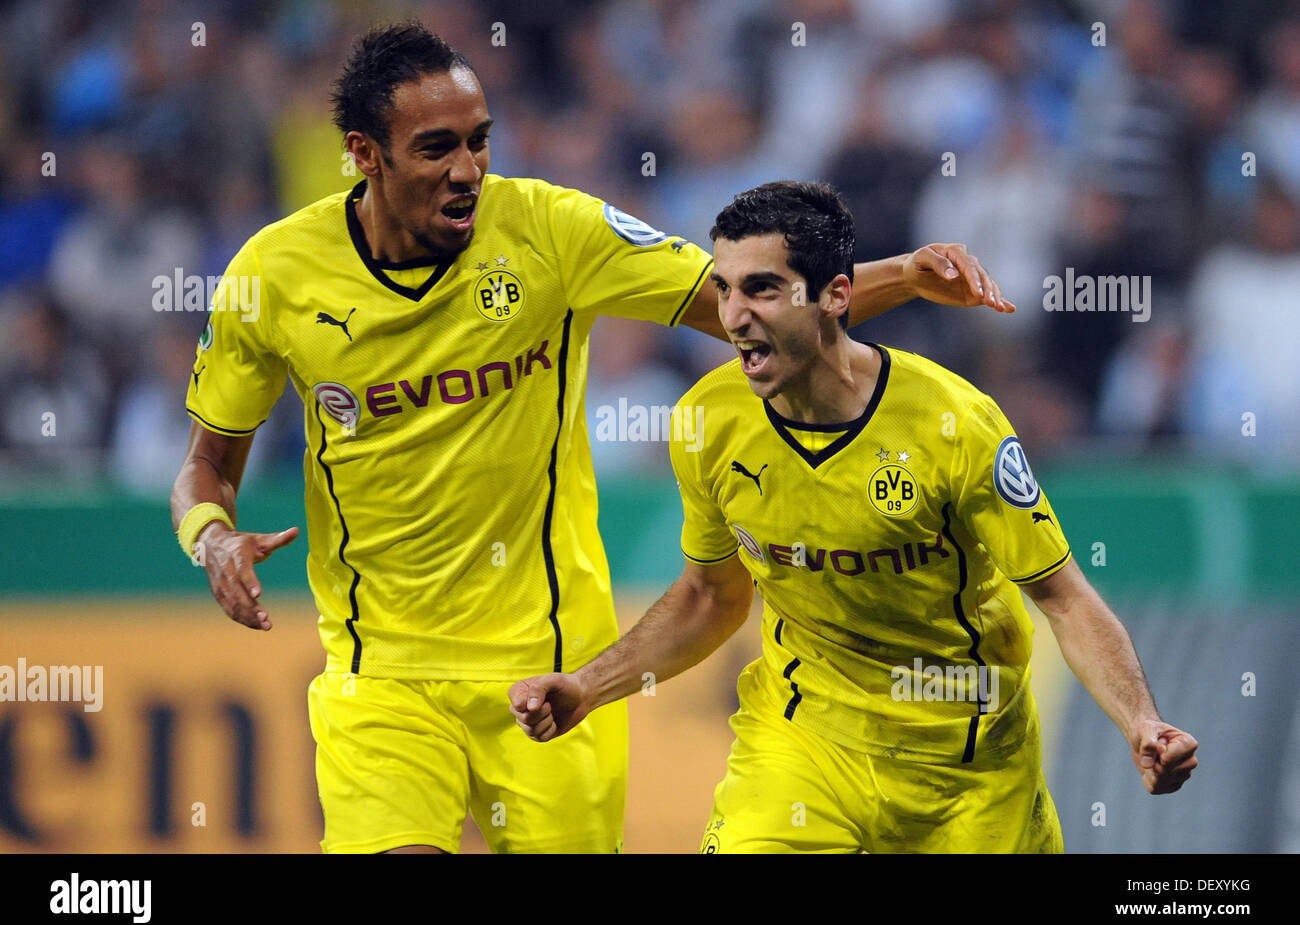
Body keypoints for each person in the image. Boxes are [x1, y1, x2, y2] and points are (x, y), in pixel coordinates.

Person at [170, 24, 1013, 855]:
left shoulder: (550, 229)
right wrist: (211, 538)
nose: (468, 170)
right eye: (436, 149)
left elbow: (748, 311)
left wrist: (905, 273)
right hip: (380, 672)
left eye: (479, 141)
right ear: (364, 152)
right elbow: (206, 465)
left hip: (554, 672)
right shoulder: (273, 276)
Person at [510, 181, 1198, 853]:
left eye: (763, 289)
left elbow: (1063, 597)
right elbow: (710, 596)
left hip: (965, 765)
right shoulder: (704, 422)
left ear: (836, 295)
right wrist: (587, 685)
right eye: (724, 288)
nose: (734, 315)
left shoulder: (955, 424)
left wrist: (1141, 721)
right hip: (802, 747)